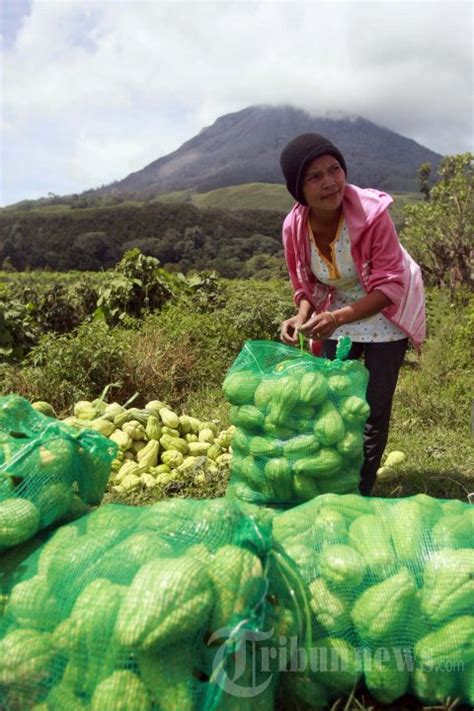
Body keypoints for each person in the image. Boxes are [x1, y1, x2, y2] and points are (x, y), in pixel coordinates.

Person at [278, 133, 426, 496]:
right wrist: (301, 315)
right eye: (315, 176)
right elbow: (304, 284)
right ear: (299, 188)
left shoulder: (372, 216)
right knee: (331, 399)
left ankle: (360, 489)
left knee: (372, 409)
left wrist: (337, 319)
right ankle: (331, 476)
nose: (330, 182)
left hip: (385, 307)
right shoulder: (294, 227)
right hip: (338, 306)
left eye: (335, 169)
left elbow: (391, 286)